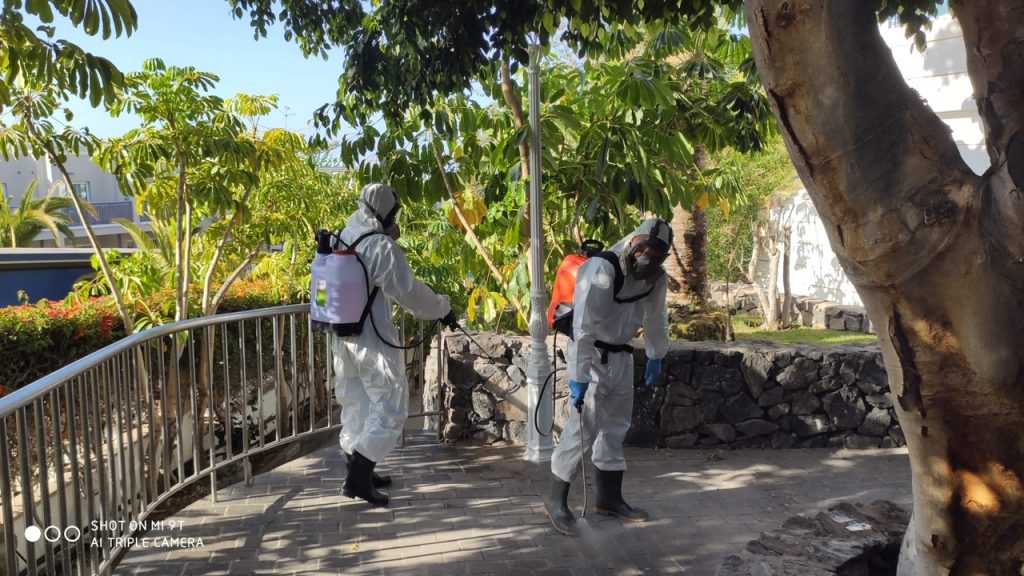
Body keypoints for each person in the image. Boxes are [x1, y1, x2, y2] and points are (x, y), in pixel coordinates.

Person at [331, 182, 458, 507]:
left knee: (357, 401)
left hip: (342, 337)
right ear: (386, 212)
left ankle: (357, 469)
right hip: (371, 338)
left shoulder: (342, 235)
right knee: (391, 404)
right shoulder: (379, 246)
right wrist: (442, 307)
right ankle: (359, 478)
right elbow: (408, 292)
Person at [543, 218, 672, 536]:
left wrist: (656, 354)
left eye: (658, 256)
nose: (650, 261)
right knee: (583, 428)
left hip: (621, 356)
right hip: (592, 354)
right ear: (634, 244)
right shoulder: (603, 269)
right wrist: (578, 374)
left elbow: (656, 317)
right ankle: (555, 499)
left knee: (616, 425)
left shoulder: (656, 277)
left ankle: (609, 498)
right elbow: (583, 325)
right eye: (647, 253)